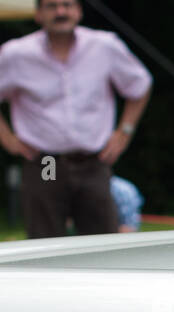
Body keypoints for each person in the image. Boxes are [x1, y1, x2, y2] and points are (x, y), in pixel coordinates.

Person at [0, 0, 151, 239]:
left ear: (79, 11)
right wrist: (7, 139)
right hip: (43, 165)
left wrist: (125, 130)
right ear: (38, 14)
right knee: (44, 251)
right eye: (52, 6)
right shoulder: (16, 54)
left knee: (104, 248)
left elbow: (140, 85)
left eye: (67, 5)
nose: (61, 12)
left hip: (94, 163)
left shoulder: (104, 46)